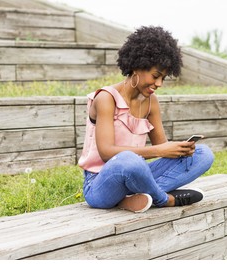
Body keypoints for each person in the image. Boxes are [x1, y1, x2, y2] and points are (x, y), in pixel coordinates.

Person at [78, 26, 214, 213]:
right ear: (137, 66)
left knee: (203, 154)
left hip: (135, 175)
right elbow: (107, 153)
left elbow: (161, 147)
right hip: (99, 184)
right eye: (156, 76)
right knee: (130, 160)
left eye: (163, 78)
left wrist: (179, 149)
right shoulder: (106, 98)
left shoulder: (151, 103)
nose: (159, 84)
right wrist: (158, 150)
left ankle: (133, 198)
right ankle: (163, 199)